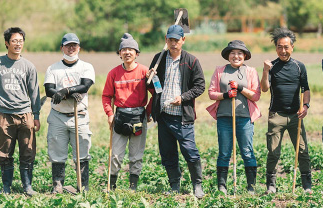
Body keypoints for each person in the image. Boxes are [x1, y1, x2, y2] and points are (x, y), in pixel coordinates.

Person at [146, 25, 205, 198]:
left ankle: (197, 185)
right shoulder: (159, 59)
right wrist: (149, 77)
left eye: (176, 40)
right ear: (166, 40)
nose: (173, 43)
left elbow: (200, 86)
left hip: (182, 116)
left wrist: (183, 97)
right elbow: (151, 86)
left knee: (190, 151)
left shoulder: (191, 61)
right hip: (164, 115)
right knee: (168, 153)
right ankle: (174, 186)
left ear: (183, 40)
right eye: (170, 40)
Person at [261, 28, 312, 194]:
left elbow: (306, 89)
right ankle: (271, 185)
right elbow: (264, 88)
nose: (283, 50)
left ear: (292, 47)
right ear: (276, 48)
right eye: (279, 47)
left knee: (303, 150)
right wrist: (266, 71)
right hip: (276, 116)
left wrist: (305, 106)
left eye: (286, 47)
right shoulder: (272, 66)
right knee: (273, 152)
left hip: (296, 116)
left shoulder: (299, 66)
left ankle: (307, 185)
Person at [206, 40, 261, 195]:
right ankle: (222, 186)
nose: (236, 56)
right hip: (224, 118)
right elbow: (211, 93)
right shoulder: (220, 70)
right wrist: (226, 94)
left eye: (239, 53)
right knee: (224, 152)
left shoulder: (250, 71)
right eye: (232, 53)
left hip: (244, 118)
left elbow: (256, 96)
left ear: (244, 56)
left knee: (247, 151)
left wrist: (240, 88)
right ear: (228, 55)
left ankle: (251, 186)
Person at [44, 33, 95, 193]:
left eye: (74, 45)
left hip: (79, 115)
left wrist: (65, 91)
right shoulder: (53, 68)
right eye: (68, 45)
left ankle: (83, 186)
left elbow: (85, 86)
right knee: (57, 152)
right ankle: (58, 186)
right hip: (58, 115)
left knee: (82, 152)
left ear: (79, 47)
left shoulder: (86, 67)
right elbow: (49, 90)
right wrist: (72, 92)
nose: (71, 48)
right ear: (62, 48)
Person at [102, 33, 152, 192]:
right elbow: (106, 96)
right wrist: (110, 114)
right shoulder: (114, 73)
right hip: (120, 116)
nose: (127, 52)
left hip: (139, 116)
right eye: (124, 49)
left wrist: (148, 112)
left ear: (137, 53)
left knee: (136, 155)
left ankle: (133, 188)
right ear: (119, 53)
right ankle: (112, 186)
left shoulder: (145, 72)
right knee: (116, 155)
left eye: (131, 49)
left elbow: (156, 93)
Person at [0, 27, 41, 196]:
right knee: (4, 152)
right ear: (7, 43)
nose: (18, 44)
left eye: (20, 41)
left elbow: (34, 92)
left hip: (25, 115)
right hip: (4, 115)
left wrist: (36, 116)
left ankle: (27, 187)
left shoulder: (28, 66)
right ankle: (6, 187)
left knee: (28, 151)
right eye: (14, 41)